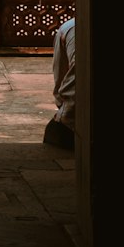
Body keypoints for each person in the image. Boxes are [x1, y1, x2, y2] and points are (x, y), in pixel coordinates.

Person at [43, 16, 76, 149]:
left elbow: (60, 78)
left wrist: (63, 109)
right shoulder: (70, 28)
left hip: (71, 119)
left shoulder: (69, 27)